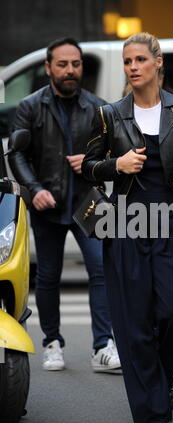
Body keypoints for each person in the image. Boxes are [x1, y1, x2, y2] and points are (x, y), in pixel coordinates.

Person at [82, 32, 173, 423]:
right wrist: (115, 165)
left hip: (170, 219)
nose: (132, 67)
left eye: (140, 59)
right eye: (127, 61)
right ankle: (152, 410)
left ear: (158, 62)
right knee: (134, 322)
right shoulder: (110, 113)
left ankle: (160, 372)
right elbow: (88, 166)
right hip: (124, 223)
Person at [10, 37, 121, 373]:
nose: (70, 70)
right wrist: (34, 188)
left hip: (89, 202)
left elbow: (114, 155)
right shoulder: (30, 107)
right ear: (48, 68)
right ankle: (52, 343)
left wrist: (91, 162)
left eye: (76, 64)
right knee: (48, 277)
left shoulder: (99, 107)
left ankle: (103, 346)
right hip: (48, 204)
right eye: (62, 64)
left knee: (102, 273)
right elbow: (16, 153)